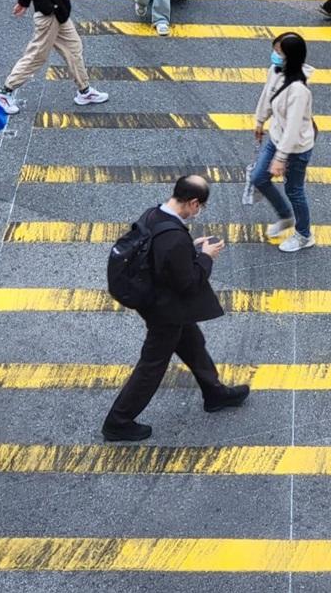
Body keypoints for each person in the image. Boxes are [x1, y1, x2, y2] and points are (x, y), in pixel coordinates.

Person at [102, 175, 250, 441]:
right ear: (193, 203)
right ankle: (118, 421)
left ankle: (214, 393)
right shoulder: (174, 239)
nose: (199, 211)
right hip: (165, 311)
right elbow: (189, 284)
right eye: (200, 206)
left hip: (157, 300)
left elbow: (162, 255)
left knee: (193, 343)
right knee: (152, 365)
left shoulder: (155, 214)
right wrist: (206, 257)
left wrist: (189, 249)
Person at [251, 32, 316, 252]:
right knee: (259, 177)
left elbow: (293, 127)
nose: (275, 56)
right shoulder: (275, 71)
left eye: (279, 53)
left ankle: (304, 234)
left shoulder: (299, 91)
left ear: (291, 57)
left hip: (295, 148)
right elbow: (266, 95)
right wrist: (260, 121)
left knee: (294, 190)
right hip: (276, 137)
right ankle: (285, 216)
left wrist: (281, 158)